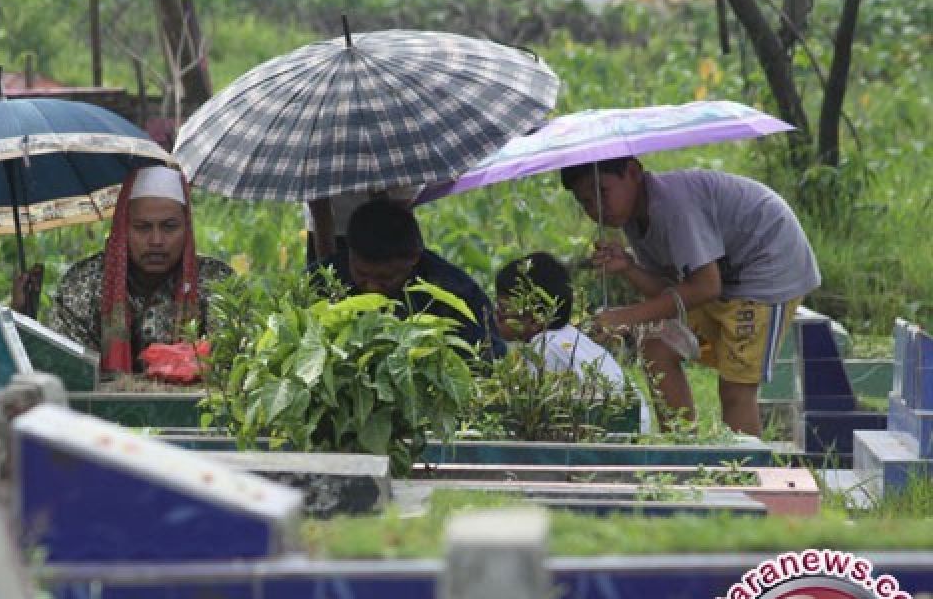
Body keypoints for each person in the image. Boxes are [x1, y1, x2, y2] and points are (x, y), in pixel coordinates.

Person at [563, 156, 821, 436]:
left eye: (601, 192)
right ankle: (682, 447)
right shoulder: (634, 218)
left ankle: (745, 473)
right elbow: (672, 291)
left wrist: (625, 317)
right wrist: (629, 267)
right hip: (722, 280)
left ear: (634, 172)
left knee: (735, 388)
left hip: (766, 266)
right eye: (585, 201)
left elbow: (705, 288)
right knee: (655, 346)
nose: (596, 209)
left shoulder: (673, 206)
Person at [46, 165, 233, 373]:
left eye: (169, 227)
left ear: (187, 228)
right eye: (143, 227)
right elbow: (67, 370)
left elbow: (229, 370)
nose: (156, 240)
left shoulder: (217, 282)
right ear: (123, 228)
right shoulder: (83, 285)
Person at [312, 199, 506, 359]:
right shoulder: (322, 280)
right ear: (350, 255)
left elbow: (489, 357)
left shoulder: (453, 291)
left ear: (413, 259)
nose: (371, 288)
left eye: (384, 278)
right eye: (362, 275)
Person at [495, 252, 650, 432]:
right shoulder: (572, 337)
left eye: (502, 310)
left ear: (535, 319)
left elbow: (537, 414)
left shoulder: (543, 348)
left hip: (608, 435)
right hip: (633, 427)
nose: (496, 316)